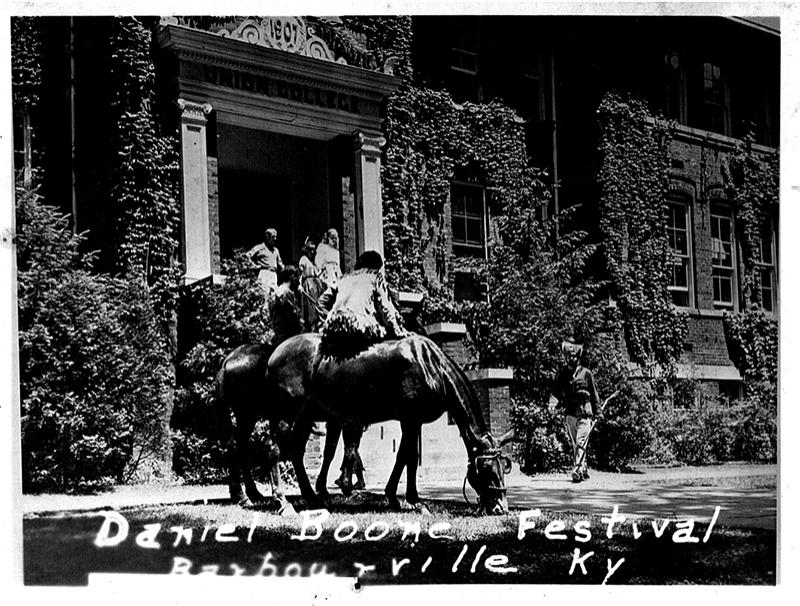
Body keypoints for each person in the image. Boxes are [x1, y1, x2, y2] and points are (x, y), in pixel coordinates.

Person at [318, 250, 409, 360]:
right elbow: (385, 308)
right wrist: (398, 331)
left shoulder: (343, 278)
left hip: (336, 327)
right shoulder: (375, 276)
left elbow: (321, 302)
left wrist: (327, 320)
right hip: (360, 328)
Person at [548, 341, 601, 483]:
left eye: (573, 356)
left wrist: (598, 412)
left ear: (578, 358)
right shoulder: (563, 373)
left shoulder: (586, 373)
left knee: (580, 442)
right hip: (570, 414)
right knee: (575, 444)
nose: (570, 359)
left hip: (585, 413)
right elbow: (556, 391)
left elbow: (594, 393)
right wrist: (553, 403)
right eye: (567, 356)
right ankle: (583, 468)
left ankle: (577, 469)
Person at [268, 265, 305, 346]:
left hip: (277, 332)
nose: (298, 281)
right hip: (286, 335)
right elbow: (293, 316)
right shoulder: (286, 292)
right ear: (292, 277)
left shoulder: (278, 290)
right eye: (297, 277)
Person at [247, 228, 284, 304]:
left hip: (273, 274)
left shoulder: (276, 250)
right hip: (264, 273)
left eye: (275, 237)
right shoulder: (260, 248)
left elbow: (281, 264)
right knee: (264, 296)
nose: (275, 239)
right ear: (267, 237)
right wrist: (254, 266)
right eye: (273, 237)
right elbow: (247, 256)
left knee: (274, 297)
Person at [298, 237, 325, 331]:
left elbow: (317, 273)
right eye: (310, 250)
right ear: (307, 250)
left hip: (315, 284)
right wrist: (299, 285)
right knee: (310, 306)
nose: (312, 253)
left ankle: (317, 325)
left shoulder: (312, 262)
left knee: (317, 304)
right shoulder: (303, 259)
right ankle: (311, 325)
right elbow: (300, 274)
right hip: (309, 286)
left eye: (313, 251)